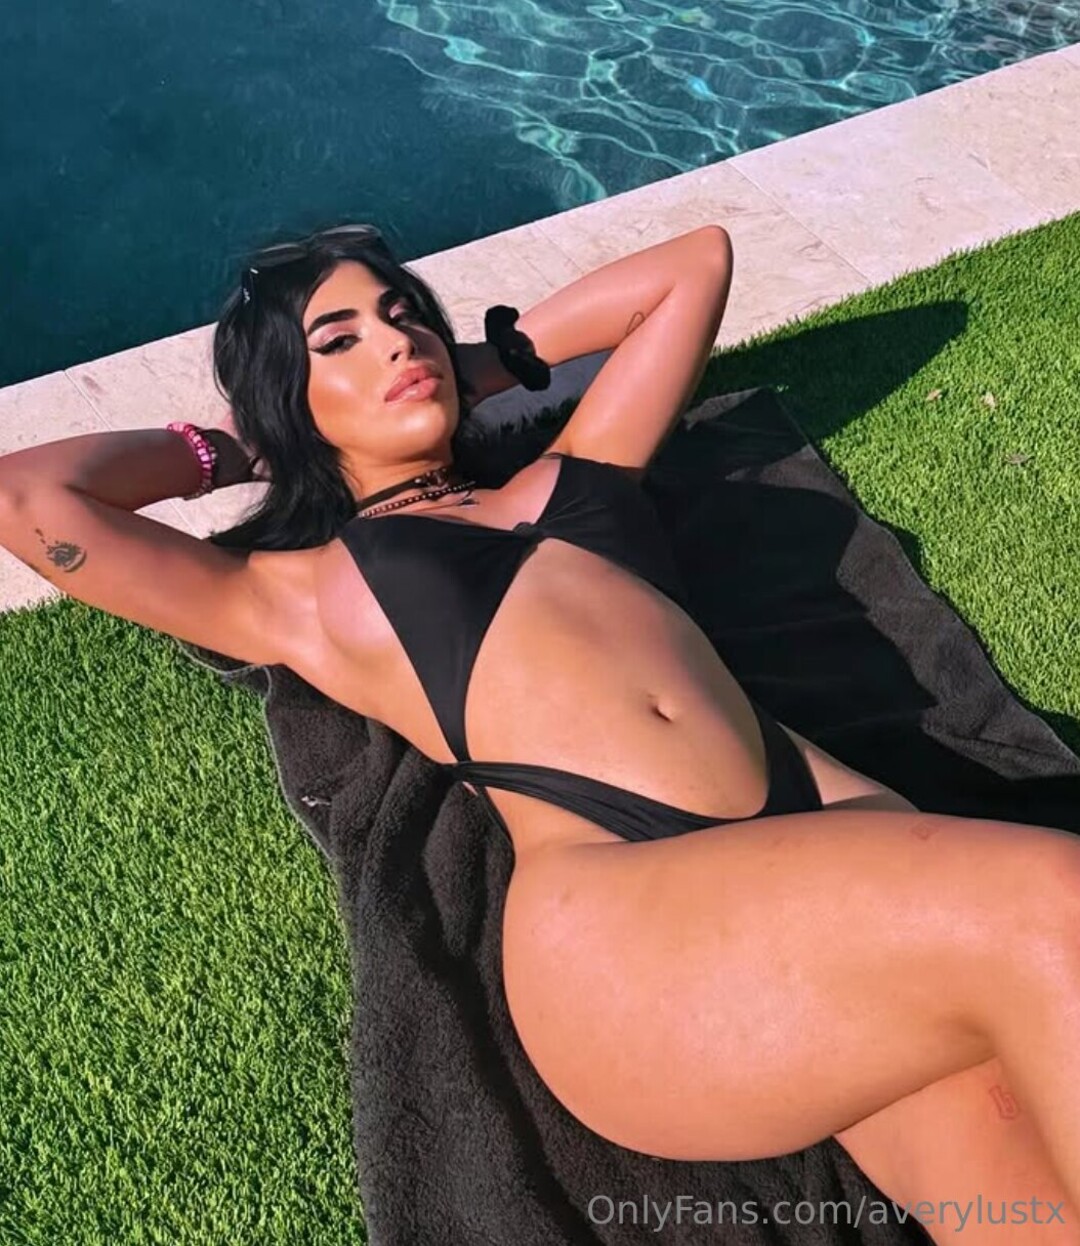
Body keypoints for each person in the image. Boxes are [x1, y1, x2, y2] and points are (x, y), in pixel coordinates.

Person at [2, 223, 1079, 1245]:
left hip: (829, 851)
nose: (397, 343)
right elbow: (28, 494)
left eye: (404, 317)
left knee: (1021, 1208)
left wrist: (483, 365)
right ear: (295, 397)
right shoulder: (302, 592)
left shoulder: (575, 473)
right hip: (633, 927)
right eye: (340, 342)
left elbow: (692, 268)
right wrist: (246, 445)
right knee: (1052, 900)